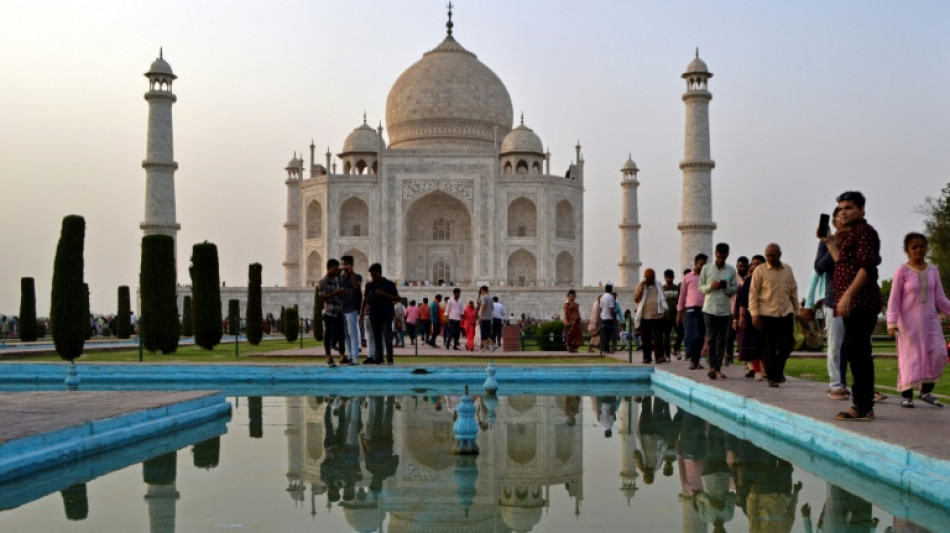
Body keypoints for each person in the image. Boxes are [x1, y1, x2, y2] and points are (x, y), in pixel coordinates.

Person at [821, 191, 882, 421]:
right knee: (855, 352)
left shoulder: (866, 232)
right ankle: (863, 405)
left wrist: (847, 295)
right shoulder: (848, 235)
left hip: (860, 302)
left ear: (861, 209)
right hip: (849, 302)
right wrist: (828, 241)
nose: (843, 212)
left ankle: (863, 406)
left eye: (848, 208)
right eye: (841, 208)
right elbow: (842, 262)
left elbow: (867, 268)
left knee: (859, 355)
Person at [886, 232, 950, 408]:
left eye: (922, 246)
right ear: (907, 250)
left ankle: (926, 392)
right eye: (914, 247)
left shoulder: (933, 270)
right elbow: (894, 299)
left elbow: (941, 299)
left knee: (939, 354)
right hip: (908, 323)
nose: (919, 250)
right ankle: (907, 395)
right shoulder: (902, 271)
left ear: (926, 248)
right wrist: (891, 323)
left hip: (930, 321)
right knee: (910, 358)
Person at [805, 207, 850, 400]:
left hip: (858, 300)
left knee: (859, 346)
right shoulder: (827, 243)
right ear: (833, 222)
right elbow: (819, 267)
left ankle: (861, 385)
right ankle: (836, 384)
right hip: (834, 299)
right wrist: (831, 244)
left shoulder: (859, 237)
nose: (844, 219)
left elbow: (873, 260)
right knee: (835, 345)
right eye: (840, 217)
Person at [749, 243, 799, 387]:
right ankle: (773, 377)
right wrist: (754, 314)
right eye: (768, 255)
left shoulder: (787, 270)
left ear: (779, 254)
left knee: (787, 344)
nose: (770, 258)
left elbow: (793, 291)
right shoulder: (760, 271)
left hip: (785, 312)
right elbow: (753, 294)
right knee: (769, 348)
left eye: (773, 255)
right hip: (767, 313)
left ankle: (777, 371)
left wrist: (797, 310)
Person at [700, 243, 739, 380]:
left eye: (723, 256)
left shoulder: (731, 271)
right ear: (715, 253)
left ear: (727, 255)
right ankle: (712, 367)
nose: (721, 259)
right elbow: (701, 287)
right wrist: (711, 286)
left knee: (721, 339)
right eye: (719, 256)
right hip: (709, 308)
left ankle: (717, 368)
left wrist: (726, 287)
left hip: (724, 309)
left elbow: (735, 289)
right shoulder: (706, 268)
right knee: (711, 338)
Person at [364, 263, 401, 365]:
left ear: (380, 273)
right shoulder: (370, 284)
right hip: (374, 314)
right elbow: (367, 300)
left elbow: (398, 298)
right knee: (377, 338)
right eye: (371, 275)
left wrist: (384, 294)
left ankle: (389, 359)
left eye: (375, 274)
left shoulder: (389, 284)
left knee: (387, 336)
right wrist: (370, 297)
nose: (373, 277)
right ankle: (379, 358)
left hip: (386, 314)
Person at [736, 255, 765, 380]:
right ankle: (757, 370)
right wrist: (741, 317)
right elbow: (742, 301)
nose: (754, 266)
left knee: (765, 344)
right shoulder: (748, 281)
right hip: (751, 316)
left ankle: (765, 369)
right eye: (753, 264)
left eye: (757, 263)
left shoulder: (769, 280)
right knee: (753, 344)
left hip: (766, 315)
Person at [678, 255, 708, 370]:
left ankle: (696, 360)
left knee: (700, 337)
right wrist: (679, 312)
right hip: (691, 309)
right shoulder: (687, 277)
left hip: (705, 309)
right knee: (694, 335)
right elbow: (682, 295)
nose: (703, 267)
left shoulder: (707, 277)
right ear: (696, 264)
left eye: (705, 264)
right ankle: (693, 360)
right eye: (701, 264)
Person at [318, 258, 349, 367]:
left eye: (337, 270)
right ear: (328, 268)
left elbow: (337, 296)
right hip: (329, 311)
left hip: (338, 309)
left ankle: (342, 356)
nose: (336, 272)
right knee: (328, 335)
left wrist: (342, 293)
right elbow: (322, 297)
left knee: (341, 334)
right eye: (334, 270)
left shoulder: (336, 280)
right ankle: (328, 357)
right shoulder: (323, 281)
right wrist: (336, 292)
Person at [634, 268, 668, 364]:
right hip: (645, 317)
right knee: (646, 339)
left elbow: (663, 299)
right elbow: (636, 299)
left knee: (658, 339)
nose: (651, 280)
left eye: (652, 277)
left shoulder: (659, 285)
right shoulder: (640, 286)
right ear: (645, 278)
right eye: (648, 278)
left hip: (658, 316)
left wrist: (665, 313)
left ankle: (659, 357)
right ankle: (646, 357)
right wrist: (642, 288)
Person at [339, 255, 363, 362]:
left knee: (352, 332)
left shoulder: (357, 276)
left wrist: (351, 273)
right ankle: (349, 355)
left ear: (351, 265)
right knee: (345, 334)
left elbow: (355, 287)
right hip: (342, 307)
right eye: (343, 264)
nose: (345, 266)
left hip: (351, 307)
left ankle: (355, 357)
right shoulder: (340, 277)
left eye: (347, 263)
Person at [662, 269, 682, 360]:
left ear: (673, 277)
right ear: (665, 278)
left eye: (670, 278)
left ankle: (675, 349)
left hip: (676, 315)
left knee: (682, 333)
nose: (668, 280)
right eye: (667, 278)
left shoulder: (677, 288)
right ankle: (667, 355)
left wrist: (680, 314)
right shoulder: (662, 289)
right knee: (666, 336)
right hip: (666, 316)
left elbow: (680, 301)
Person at [478, 286, 498, 351]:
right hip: (489, 318)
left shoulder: (484, 297)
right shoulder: (491, 298)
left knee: (484, 333)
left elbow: (483, 306)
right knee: (485, 333)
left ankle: (493, 344)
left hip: (484, 318)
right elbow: (492, 308)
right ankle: (485, 347)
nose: (480, 292)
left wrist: (480, 316)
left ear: (483, 290)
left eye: (481, 291)